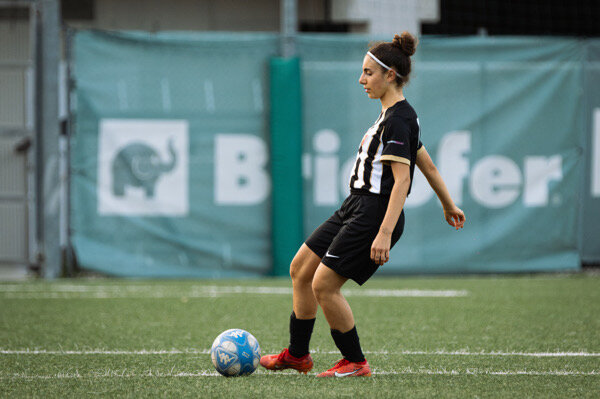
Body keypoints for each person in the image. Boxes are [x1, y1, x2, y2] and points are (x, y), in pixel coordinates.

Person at [260, 31, 466, 378]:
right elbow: (427, 164)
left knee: (324, 284)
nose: (361, 79)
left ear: (390, 75)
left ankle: (355, 362)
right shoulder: (393, 117)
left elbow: (403, 180)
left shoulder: (399, 118)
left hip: (374, 213)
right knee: (301, 269)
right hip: (354, 206)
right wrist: (448, 204)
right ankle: (298, 355)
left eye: (369, 72)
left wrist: (384, 233)